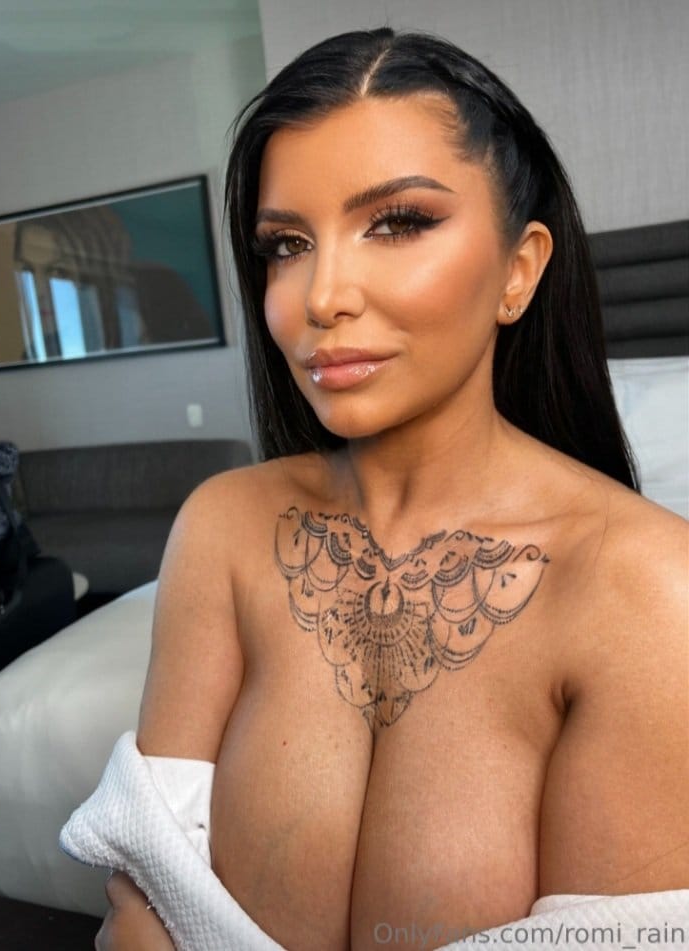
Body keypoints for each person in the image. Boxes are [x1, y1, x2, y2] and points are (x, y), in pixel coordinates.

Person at [95, 27, 688, 951]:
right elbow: (142, 904)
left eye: (399, 222)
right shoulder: (223, 526)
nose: (321, 295)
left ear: (519, 270)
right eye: (286, 243)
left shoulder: (648, 591)